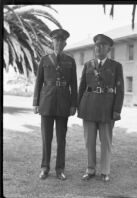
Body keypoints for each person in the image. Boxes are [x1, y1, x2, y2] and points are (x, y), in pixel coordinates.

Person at [78, 34, 124, 182]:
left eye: (102, 45)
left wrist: (117, 110)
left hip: (107, 109)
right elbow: (82, 88)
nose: (99, 48)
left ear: (108, 49)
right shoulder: (88, 65)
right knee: (89, 141)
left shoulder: (116, 66)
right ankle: (90, 170)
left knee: (106, 142)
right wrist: (79, 107)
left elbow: (120, 90)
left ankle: (105, 171)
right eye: (97, 45)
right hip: (89, 106)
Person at [33, 29, 77, 180]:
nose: (58, 43)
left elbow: (74, 85)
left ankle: (60, 169)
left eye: (61, 41)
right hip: (46, 102)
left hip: (64, 102)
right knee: (46, 137)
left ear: (65, 43)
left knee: (61, 138)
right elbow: (38, 82)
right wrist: (36, 103)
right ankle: (45, 168)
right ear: (52, 42)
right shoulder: (44, 60)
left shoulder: (70, 61)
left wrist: (73, 104)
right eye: (56, 40)